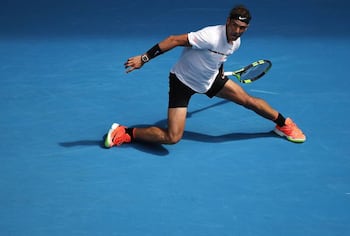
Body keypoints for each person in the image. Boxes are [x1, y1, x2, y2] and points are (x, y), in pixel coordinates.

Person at [104, 5, 306, 148]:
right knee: (172, 137)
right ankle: (125, 132)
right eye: (234, 25)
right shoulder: (209, 36)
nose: (236, 31)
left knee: (249, 101)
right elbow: (174, 40)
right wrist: (144, 58)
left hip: (209, 80)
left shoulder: (235, 43)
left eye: (242, 28)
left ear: (247, 28)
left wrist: (217, 74)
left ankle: (284, 124)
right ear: (227, 21)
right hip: (182, 82)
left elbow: (218, 60)